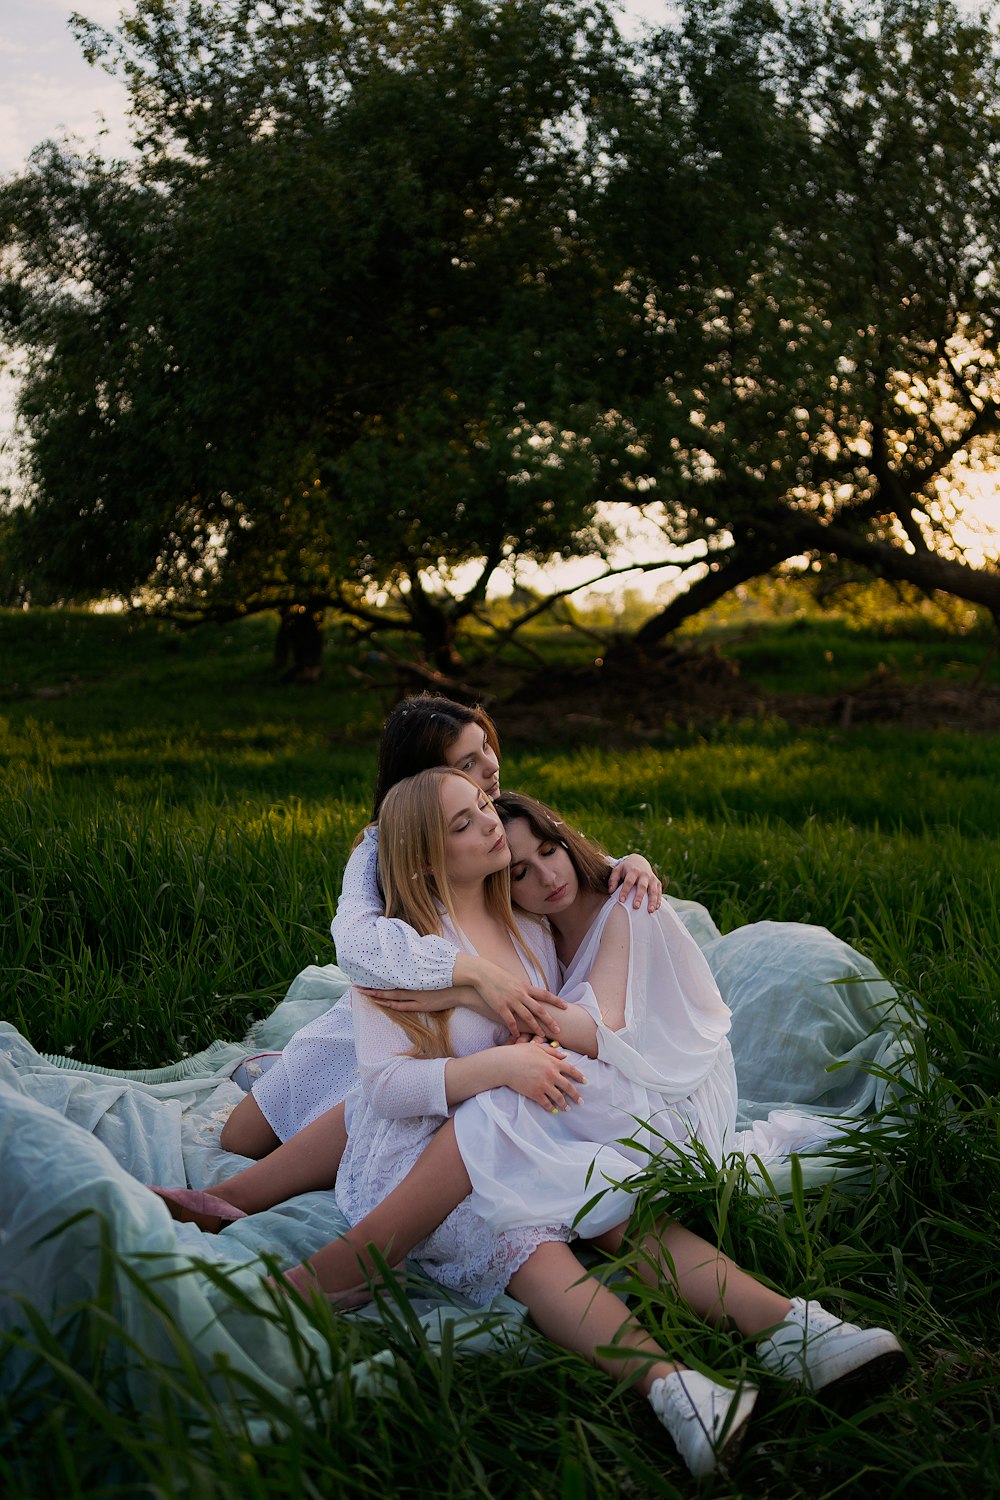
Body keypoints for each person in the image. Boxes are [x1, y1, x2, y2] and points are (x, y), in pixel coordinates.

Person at [265, 769, 906, 1478]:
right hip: (424, 1159)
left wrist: (622, 872)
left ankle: (792, 1329)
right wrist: (495, 1056)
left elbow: (587, 996)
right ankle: (678, 1386)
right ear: (425, 859)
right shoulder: (400, 951)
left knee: (605, 1199)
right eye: (466, 823)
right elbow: (387, 1089)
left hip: (527, 1126)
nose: (488, 823)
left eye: (485, 807)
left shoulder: (529, 927)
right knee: (528, 1229)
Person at [214, 692, 661, 1168]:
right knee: (239, 1139)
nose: (491, 766)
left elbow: (549, 854)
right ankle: (275, 1076)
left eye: (487, 745)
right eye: (469, 761)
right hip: (393, 1010)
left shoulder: (486, 814)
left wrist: (624, 864)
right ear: (423, 777)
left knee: (381, 1119)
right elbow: (355, 941)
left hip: (463, 1034)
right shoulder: (380, 847)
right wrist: (468, 972)